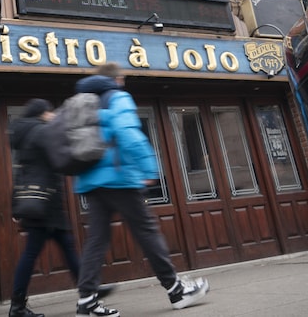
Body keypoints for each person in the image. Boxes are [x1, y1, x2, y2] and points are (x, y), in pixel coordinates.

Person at [72, 63, 209, 317]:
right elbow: (128, 134)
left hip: (92, 181)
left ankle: (86, 301)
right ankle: (176, 290)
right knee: (147, 232)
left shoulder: (83, 101)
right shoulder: (117, 96)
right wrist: (149, 169)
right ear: (118, 79)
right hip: (120, 177)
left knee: (96, 240)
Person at [8, 99, 113, 317]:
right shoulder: (40, 132)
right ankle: (17, 306)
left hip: (40, 201)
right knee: (34, 253)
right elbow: (62, 158)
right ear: (42, 113)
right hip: (45, 202)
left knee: (65, 246)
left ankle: (88, 290)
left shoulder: (25, 133)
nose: (53, 114)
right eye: (50, 111)